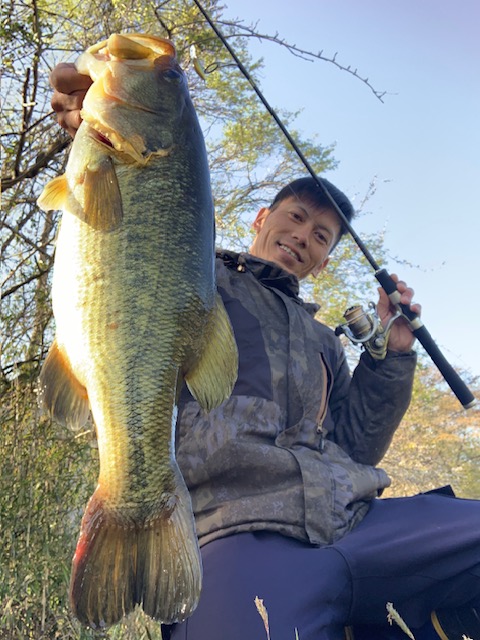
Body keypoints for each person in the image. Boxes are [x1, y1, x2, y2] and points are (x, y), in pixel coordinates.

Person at [49, 64, 480, 640]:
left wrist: (394, 358)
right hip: (233, 528)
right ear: (261, 219)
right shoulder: (196, 276)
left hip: (357, 522)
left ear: (324, 261)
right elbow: (125, 235)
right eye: (296, 217)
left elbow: (354, 446)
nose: (304, 235)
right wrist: (95, 126)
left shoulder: (324, 342)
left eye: (322, 235)